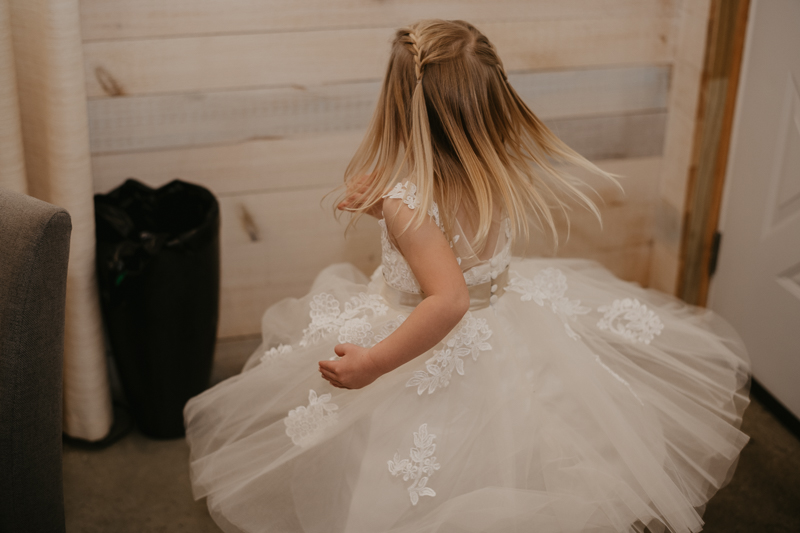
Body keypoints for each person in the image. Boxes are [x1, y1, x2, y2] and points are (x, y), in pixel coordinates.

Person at [184, 19, 750, 533]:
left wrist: (375, 363)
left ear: (402, 108)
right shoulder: (492, 159)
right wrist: (391, 211)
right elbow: (455, 245)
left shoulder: (411, 202)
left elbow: (448, 299)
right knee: (518, 443)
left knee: (399, 463)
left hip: (427, 340)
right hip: (505, 320)